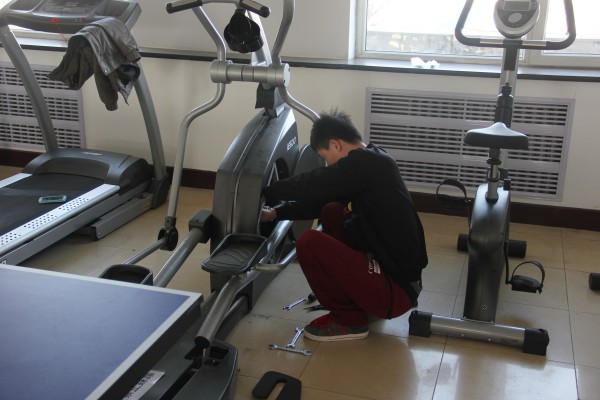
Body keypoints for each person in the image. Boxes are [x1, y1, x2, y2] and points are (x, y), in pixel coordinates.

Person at [261, 110, 428, 342]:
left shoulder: (368, 164)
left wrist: (268, 192)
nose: (327, 164)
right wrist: (276, 213)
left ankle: (350, 321)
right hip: (391, 275)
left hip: (396, 291)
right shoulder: (371, 160)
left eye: (325, 156)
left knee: (309, 242)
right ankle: (357, 301)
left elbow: (315, 183)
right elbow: (320, 202)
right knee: (331, 211)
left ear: (336, 145)